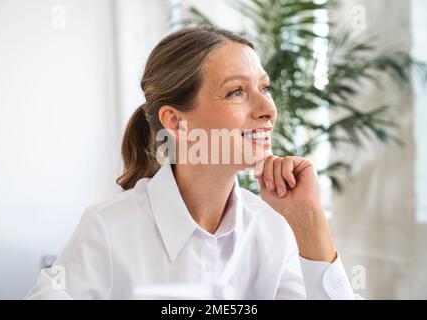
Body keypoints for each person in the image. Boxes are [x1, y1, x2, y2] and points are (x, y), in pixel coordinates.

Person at [25, 26, 360, 299]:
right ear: (175, 122)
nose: (268, 109)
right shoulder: (107, 229)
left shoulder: (273, 231)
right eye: (236, 92)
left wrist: (309, 222)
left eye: (264, 87)